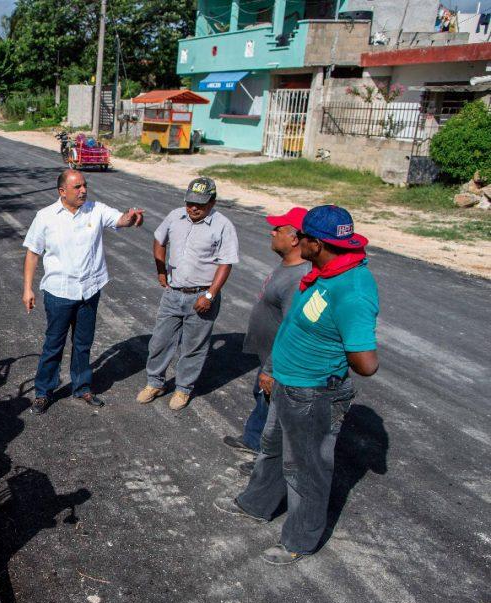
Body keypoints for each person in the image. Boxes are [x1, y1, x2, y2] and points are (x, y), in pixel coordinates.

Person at [214, 205, 379, 565]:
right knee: (272, 449)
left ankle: (300, 540)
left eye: (300, 236)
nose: (294, 240)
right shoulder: (325, 271)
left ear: (316, 244)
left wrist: (333, 356)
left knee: (306, 467)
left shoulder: (351, 289)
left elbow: (366, 362)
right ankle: (257, 503)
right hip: (287, 383)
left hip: (315, 392)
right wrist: (275, 368)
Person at [22, 169, 144, 414]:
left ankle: (82, 387)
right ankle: (44, 392)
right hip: (59, 293)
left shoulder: (96, 210)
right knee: (53, 344)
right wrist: (28, 288)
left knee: (83, 343)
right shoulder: (45, 216)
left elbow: (120, 220)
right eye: (77, 187)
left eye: (84, 185)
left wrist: (130, 218)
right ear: (62, 191)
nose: (83, 190)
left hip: (89, 291)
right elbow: (33, 253)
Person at [137, 177, 239, 410]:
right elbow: (158, 239)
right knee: (160, 341)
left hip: (201, 296)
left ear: (212, 202)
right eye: (190, 202)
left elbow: (226, 263)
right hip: (173, 293)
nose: (193, 208)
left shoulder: (222, 225)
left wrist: (210, 295)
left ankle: (183, 389)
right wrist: (161, 270)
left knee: (193, 346)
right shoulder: (175, 216)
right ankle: (155, 382)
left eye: (200, 204)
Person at [223, 207, 311, 474]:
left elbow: (291, 329)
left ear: (295, 238)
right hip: (267, 355)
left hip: (279, 359)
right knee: (261, 399)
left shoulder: (299, 278)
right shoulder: (288, 264)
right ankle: (252, 438)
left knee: (276, 412)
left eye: (278, 229)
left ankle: (265, 463)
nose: (272, 232)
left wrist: (272, 370)